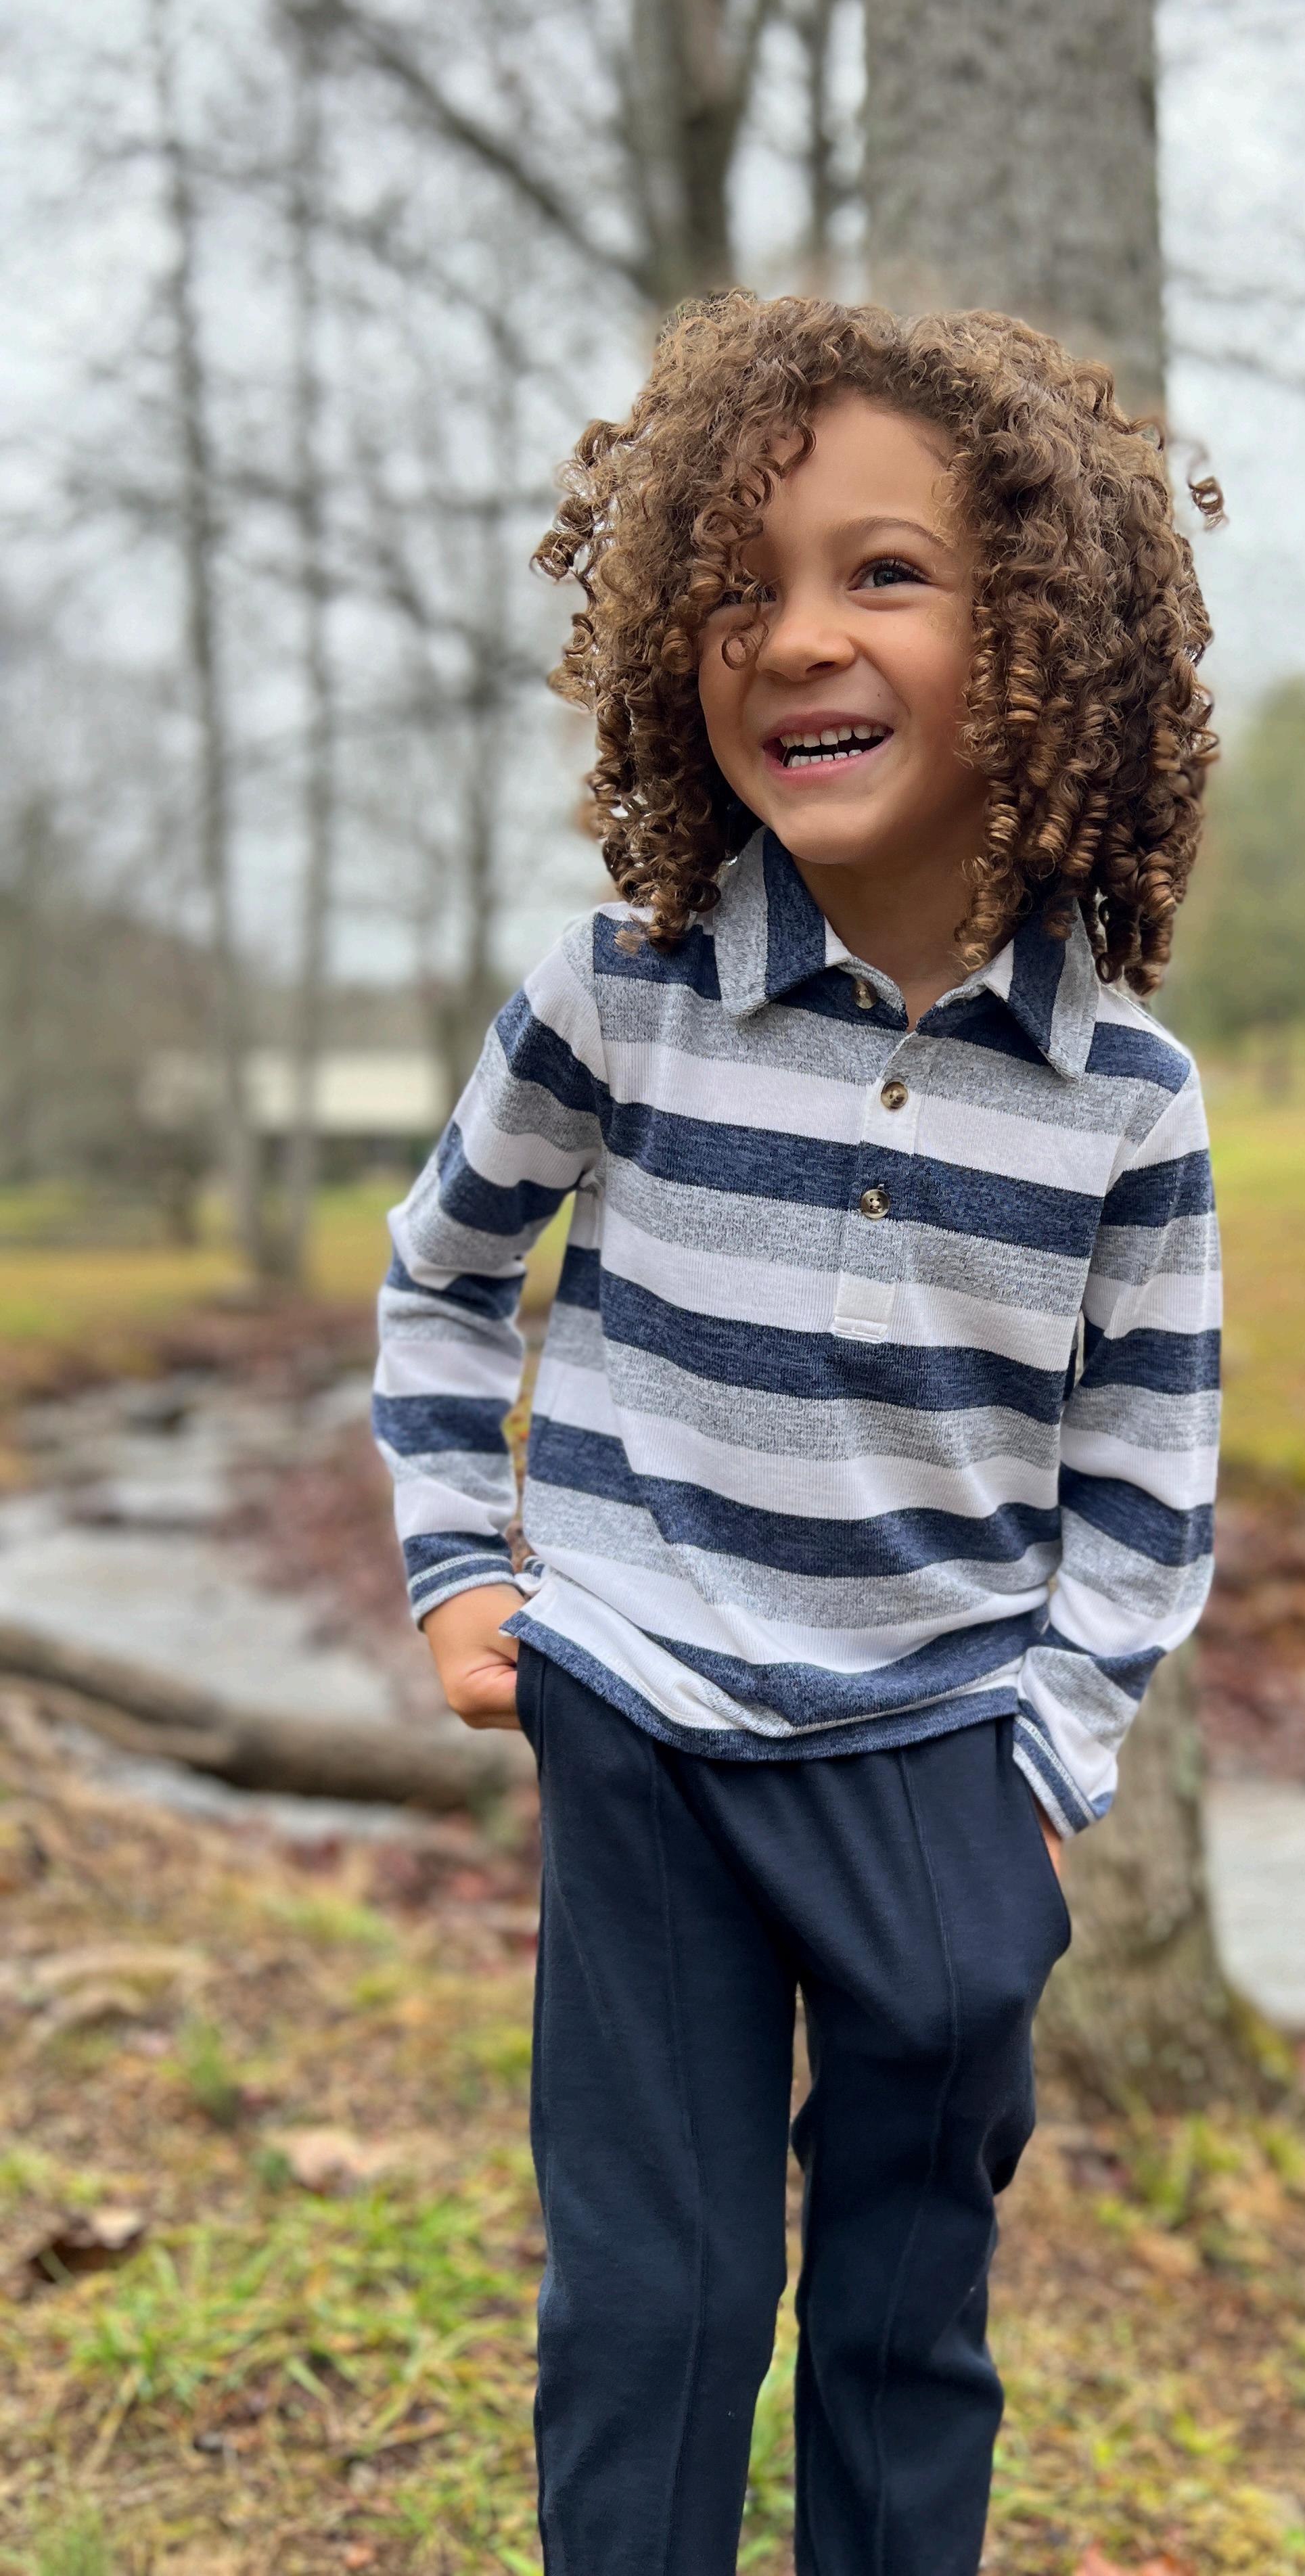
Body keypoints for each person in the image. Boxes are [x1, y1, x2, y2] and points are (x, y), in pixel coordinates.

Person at [373, 294, 1224, 2575]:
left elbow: (1149, 1483)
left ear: (1052, 640)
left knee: (903, 2326)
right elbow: (446, 1275)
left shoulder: (1125, 1103)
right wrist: (463, 1563)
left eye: (885, 572)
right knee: (656, 2309)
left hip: (944, 1760)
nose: (798, 636)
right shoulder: (620, 991)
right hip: (640, 1712)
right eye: (738, 586)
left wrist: (1045, 1768)